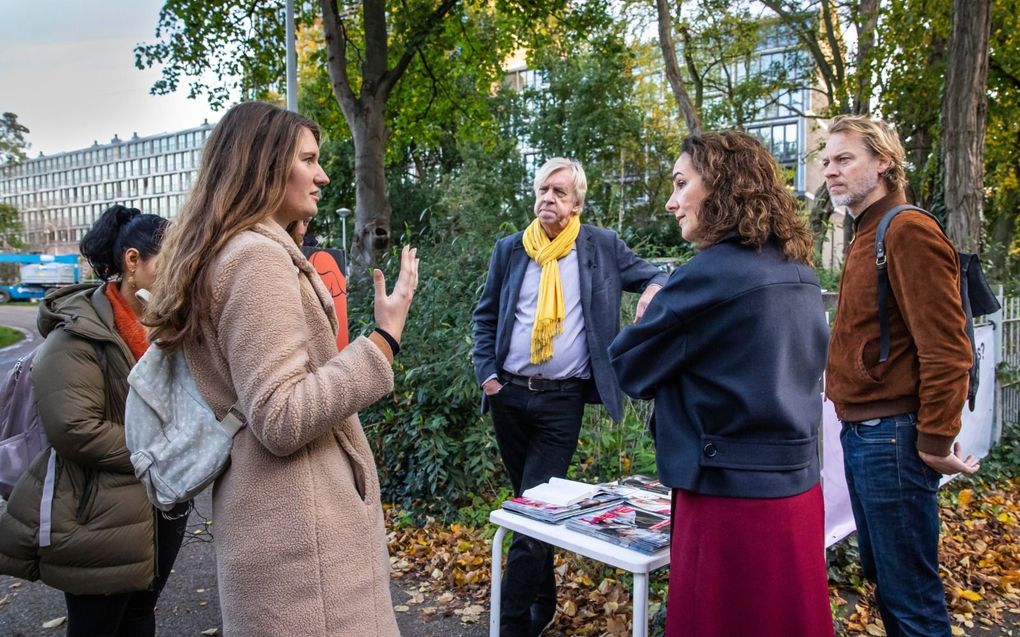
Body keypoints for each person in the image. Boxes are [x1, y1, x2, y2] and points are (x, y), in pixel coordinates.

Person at [142, 101, 418, 637]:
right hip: (306, 555)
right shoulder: (257, 257)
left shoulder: (229, 251)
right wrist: (382, 341)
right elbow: (281, 416)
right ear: (264, 167)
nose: (323, 175)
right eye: (309, 160)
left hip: (277, 530)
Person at [608, 131, 834, 637]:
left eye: (681, 183)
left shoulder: (708, 276)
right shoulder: (799, 269)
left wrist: (650, 308)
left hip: (729, 502)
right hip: (797, 491)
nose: (671, 201)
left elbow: (630, 368)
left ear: (722, 188)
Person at [472, 157, 666, 636]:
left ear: (577, 202)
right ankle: (545, 603)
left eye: (559, 192)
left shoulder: (601, 247)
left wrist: (655, 287)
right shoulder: (511, 249)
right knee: (528, 501)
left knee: (532, 508)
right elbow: (484, 317)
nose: (548, 199)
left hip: (563, 401)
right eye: (542, 190)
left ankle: (510, 624)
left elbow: (658, 273)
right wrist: (486, 375)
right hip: (508, 396)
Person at [822, 115, 977, 637]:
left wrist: (935, 441)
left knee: (910, 598)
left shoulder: (906, 229)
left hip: (892, 437)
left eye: (845, 158)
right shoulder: (866, 233)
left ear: (884, 161)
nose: (830, 170)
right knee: (889, 584)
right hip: (866, 433)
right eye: (826, 160)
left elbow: (948, 348)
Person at [0, 205, 187, 637]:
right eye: (170, 260)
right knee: (99, 626)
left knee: (141, 617)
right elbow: (75, 431)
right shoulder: (76, 336)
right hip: (96, 511)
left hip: (161, 504)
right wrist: (163, 452)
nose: (181, 272)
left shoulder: (164, 326)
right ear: (133, 261)